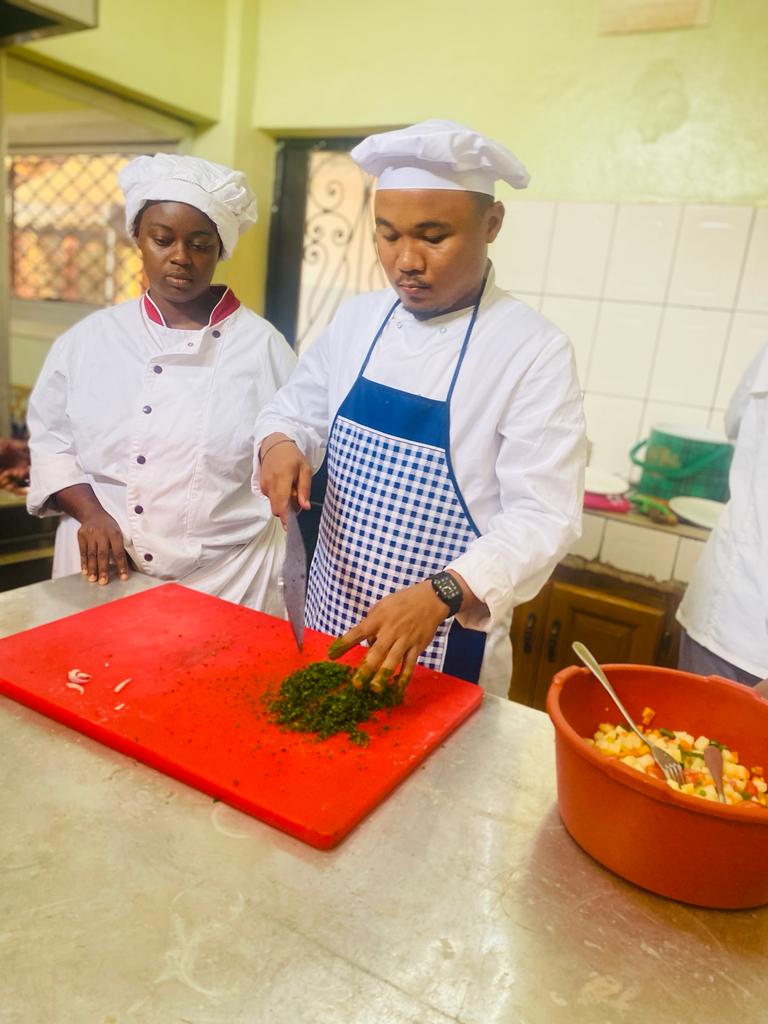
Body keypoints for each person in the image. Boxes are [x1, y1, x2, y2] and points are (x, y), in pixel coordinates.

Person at [253, 120, 586, 696]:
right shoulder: (357, 320)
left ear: (492, 224)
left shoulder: (532, 349)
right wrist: (279, 443)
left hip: (444, 642)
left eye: (433, 237)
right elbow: (295, 409)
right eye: (387, 235)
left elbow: (544, 515)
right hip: (332, 617)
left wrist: (443, 593)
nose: (405, 260)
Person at [27, 154, 296, 613]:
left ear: (220, 249)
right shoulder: (89, 341)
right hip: (100, 568)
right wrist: (91, 513)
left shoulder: (264, 350)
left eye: (200, 244)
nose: (180, 257)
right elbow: (52, 443)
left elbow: (293, 447)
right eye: (162, 239)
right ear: (137, 238)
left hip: (227, 579)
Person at [677, 342, 768, 685]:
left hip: (728, 615)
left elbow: (736, 422)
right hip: (732, 621)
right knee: (697, 736)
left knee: (694, 736)